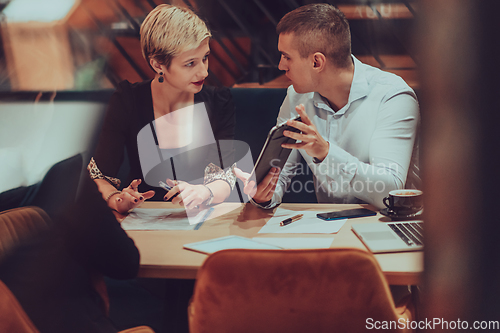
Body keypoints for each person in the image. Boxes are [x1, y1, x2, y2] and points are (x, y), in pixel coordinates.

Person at [235, 3, 419, 210]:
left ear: (316, 62)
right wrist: (263, 195)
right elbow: (280, 175)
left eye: (287, 57)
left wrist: (326, 153)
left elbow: (390, 191)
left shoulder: (392, 97)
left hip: (386, 225)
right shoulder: (297, 97)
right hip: (328, 224)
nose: (280, 65)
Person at [88, 4, 236, 214]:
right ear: (158, 65)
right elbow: (99, 177)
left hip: (200, 219)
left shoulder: (219, 102)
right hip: (142, 219)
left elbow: (224, 178)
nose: (203, 71)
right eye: (190, 63)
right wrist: (119, 199)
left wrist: (204, 192)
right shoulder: (126, 100)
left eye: (205, 57)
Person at [0, 176, 142, 333]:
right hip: (67, 322)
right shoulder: (66, 173)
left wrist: (113, 197)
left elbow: (96, 177)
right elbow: (125, 263)